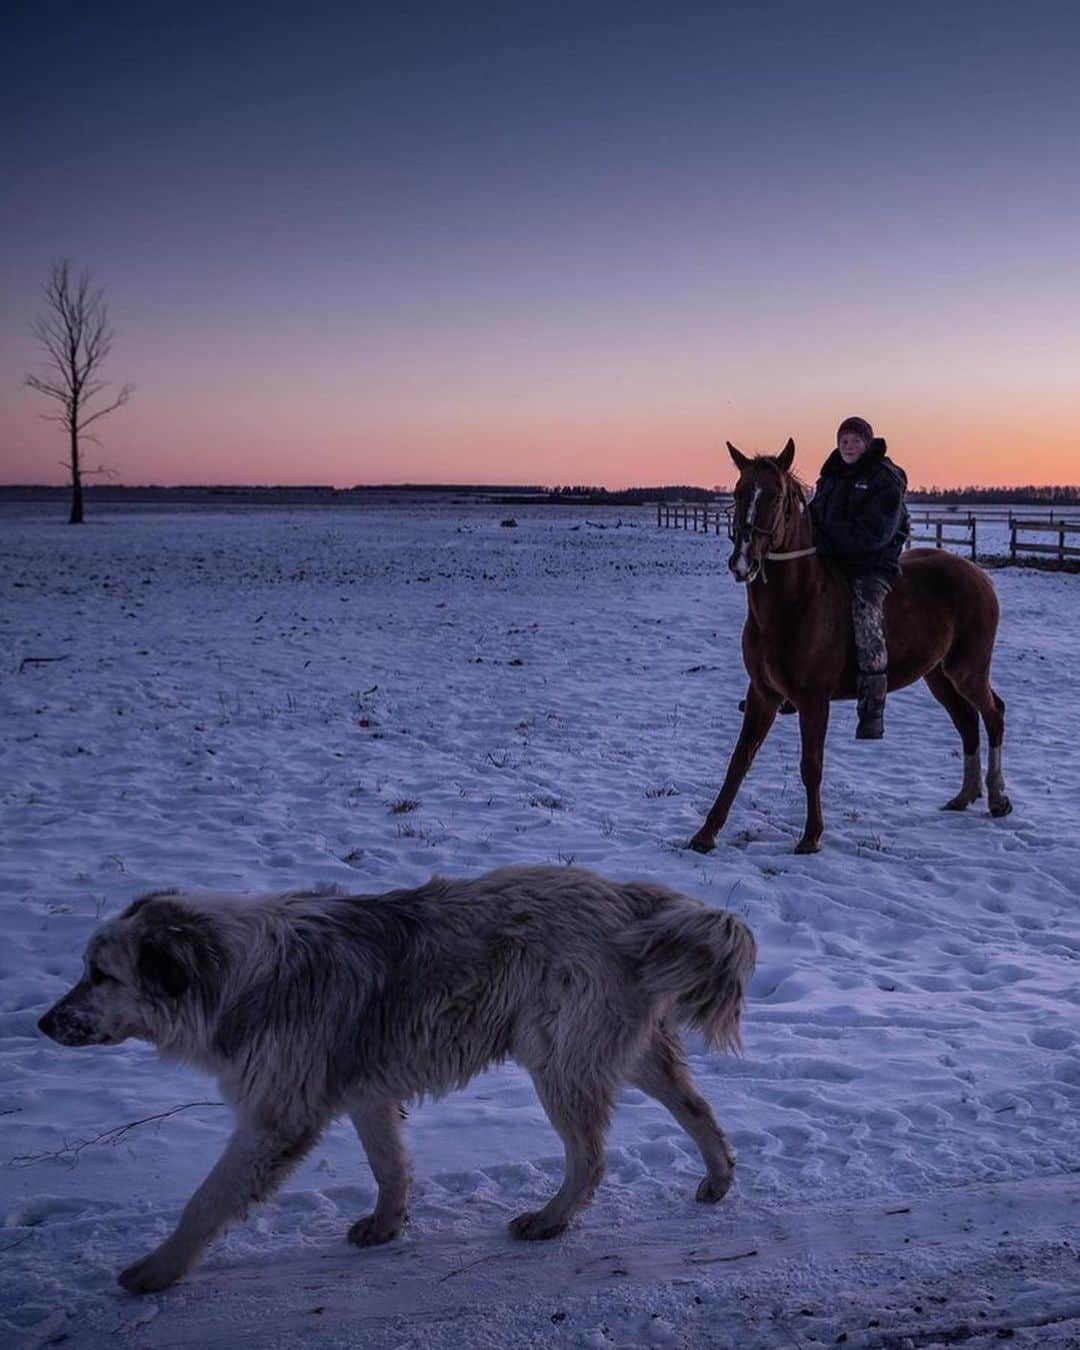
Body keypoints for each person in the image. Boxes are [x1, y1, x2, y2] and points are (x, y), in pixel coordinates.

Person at [809, 416, 909, 740]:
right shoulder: (830, 476)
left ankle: (872, 706)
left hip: (873, 563)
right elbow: (814, 516)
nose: (848, 446)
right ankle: (788, 685)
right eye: (843, 441)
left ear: (867, 443)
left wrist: (826, 540)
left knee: (866, 613)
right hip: (834, 559)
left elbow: (875, 533)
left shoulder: (884, 478)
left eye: (854, 441)